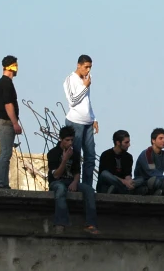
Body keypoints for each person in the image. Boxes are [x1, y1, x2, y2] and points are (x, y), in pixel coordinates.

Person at [47, 125, 99, 235]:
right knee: (61, 189)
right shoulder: (53, 153)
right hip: (57, 182)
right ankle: (61, 223)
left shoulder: (74, 153)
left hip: (70, 181)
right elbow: (55, 175)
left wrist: (75, 182)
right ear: (61, 139)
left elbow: (76, 172)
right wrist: (64, 159)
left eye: (72, 140)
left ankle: (91, 224)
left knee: (89, 190)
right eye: (67, 140)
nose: (70, 143)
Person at [63, 54, 99, 188]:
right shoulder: (69, 80)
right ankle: (74, 184)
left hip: (88, 122)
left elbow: (87, 101)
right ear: (79, 65)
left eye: (90, 67)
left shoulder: (87, 79)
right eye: (86, 67)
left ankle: (87, 185)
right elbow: (72, 101)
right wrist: (84, 86)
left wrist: (94, 118)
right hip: (75, 122)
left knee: (90, 156)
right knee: (76, 155)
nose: (88, 70)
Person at [0, 56, 22, 189]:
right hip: (5, 122)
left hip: (3, 122)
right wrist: (15, 123)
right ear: (12, 66)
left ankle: (3, 183)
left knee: (6, 154)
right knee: (5, 154)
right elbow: (8, 104)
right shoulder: (6, 83)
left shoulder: (2, 82)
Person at [97, 130, 144, 195]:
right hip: (107, 185)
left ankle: (124, 189)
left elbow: (127, 174)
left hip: (123, 185)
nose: (129, 145)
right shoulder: (106, 154)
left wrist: (129, 182)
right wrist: (124, 182)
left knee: (141, 178)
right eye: (126, 142)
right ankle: (127, 190)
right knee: (105, 174)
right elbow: (107, 176)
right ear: (118, 143)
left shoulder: (128, 157)